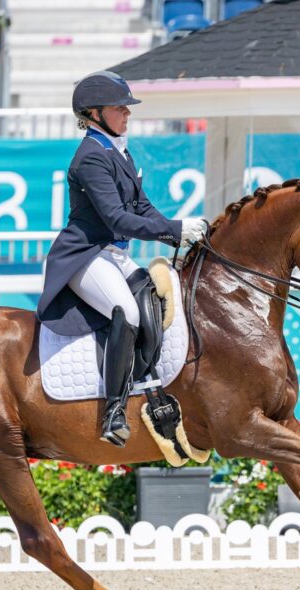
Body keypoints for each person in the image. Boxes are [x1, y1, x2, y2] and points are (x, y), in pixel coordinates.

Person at [36, 71, 209, 446]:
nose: (127, 114)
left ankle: (146, 388)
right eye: (120, 108)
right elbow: (115, 218)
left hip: (114, 255)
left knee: (157, 303)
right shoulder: (90, 158)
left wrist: (180, 229)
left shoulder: (120, 151)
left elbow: (143, 207)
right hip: (86, 256)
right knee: (127, 313)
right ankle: (113, 411)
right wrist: (173, 231)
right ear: (94, 113)